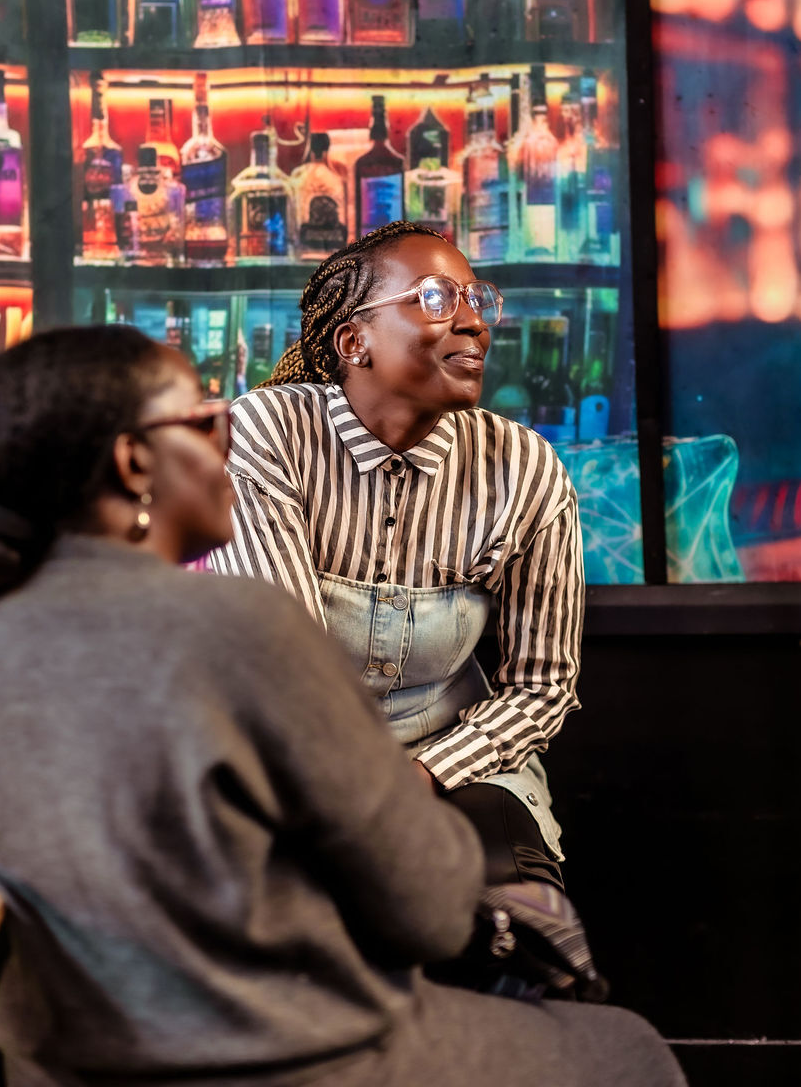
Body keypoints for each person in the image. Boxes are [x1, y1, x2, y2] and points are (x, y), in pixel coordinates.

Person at [0, 324, 684, 1087]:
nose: (231, 446)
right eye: (206, 422)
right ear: (134, 461)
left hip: (61, 1062)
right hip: (277, 1059)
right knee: (627, 1051)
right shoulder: (241, 625)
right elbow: (427, 909)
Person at [208, 221, 584, 948]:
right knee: (312, 938)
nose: (473, 321)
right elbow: (284, 673)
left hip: (455, 763)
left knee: (517, 936)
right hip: (286, 761)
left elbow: (542, 685)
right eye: (437, 298)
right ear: (355, 341)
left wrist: (426, 774)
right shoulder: (269, 434)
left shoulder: (524, 469)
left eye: (476, 299)